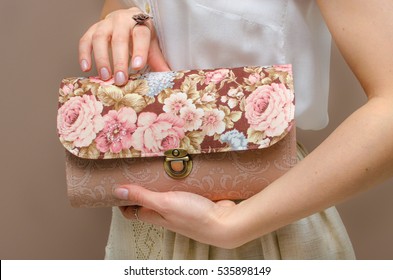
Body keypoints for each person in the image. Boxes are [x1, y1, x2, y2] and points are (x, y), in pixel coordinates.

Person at [78, 0, 393, 259]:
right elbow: (129, 5)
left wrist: (232, 223)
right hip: (146, 221)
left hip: (264, 217)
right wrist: (124, 20)